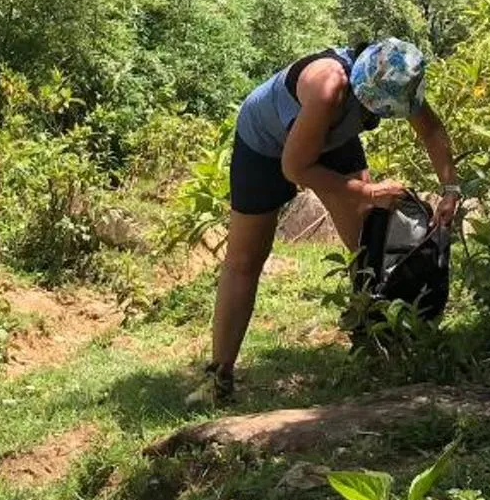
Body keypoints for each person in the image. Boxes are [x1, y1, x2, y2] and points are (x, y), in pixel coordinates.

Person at [196, 38, 458, 404]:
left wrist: (450, 189)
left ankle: (380, 351)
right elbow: (294, 168)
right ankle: (218, 378)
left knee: (367, 247)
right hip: (265, 146)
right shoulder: (329, 85)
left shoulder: (398, 73)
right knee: (244, 260)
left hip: (329, 138)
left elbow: (430, 129)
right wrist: (369, 192)